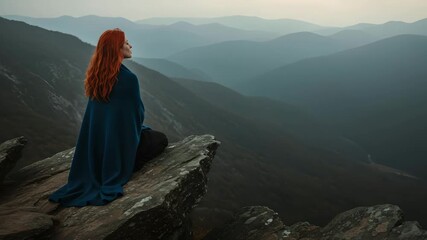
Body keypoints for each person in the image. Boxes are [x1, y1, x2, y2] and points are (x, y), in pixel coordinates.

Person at [48, 28, 168, 207]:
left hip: (99, 144)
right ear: (117, 48)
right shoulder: (128, 79)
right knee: (160, 139)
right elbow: (136, 117)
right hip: (119, 145)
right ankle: (128, 165)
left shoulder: (97, 76)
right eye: (126, 43)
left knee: (147, 134)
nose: (130, 45)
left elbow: (101, 118)